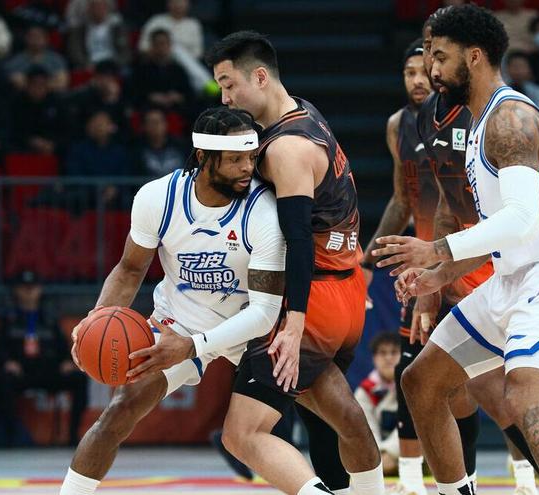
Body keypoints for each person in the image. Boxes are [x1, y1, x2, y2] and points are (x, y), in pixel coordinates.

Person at [373, 5, 539, 495]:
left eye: (441, 57)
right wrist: (440, 275)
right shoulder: (482, 123)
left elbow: (522, 221)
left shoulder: (510, 119)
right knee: (421, 382)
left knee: (525, 397)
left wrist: (434, 249)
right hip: (511, 278)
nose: (432, 69)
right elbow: (505, 227)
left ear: (475, 57)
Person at [60, 107, 287, 495]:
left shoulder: (263, 210)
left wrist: (195, 346)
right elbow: (130, 269)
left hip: (250, 325)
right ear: (203, 157)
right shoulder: (158, 198)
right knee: (121, 409)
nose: (247, 168)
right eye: (234, 159)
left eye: (251, 158)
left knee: (331, 409)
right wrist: (96, 318)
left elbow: (264, 312)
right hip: (179, 322)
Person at [207, 31, 383, 495]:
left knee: (241, 435)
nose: (225, 98)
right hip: (347, 288)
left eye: (229, 84)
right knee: (329, 420)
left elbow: (299, 239)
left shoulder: (284, 149)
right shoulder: (305, 112)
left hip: (315, 299)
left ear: (260, 77)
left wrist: (295, 322)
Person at [362, 37, 482, 495]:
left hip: (463, 259)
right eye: (408, 73)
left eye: (423, 70)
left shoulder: (465, 118)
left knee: (473, 383)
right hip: (422, 264)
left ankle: (480, 478)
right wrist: (369, 258)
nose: (417, 80)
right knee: (411, 371)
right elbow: (400, 200)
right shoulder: (398, 125)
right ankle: (412, 482)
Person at [0, 270, 87, 446]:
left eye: (33, 287)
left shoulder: (49, 318)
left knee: (79, 379)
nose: (29, 291)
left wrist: (66, 361)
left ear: (40, 290)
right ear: (16, 290)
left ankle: (73, 435)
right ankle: (11, 437)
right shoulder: (8, 319)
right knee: (3, 382)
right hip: (21, 373)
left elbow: (63, 345)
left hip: (47, 371)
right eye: (24, 287)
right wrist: (6, 363)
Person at [355, 333, 400, 477]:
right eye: (383, 353)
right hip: (377, 458)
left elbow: (414, 426)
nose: (388, 358)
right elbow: (366, 430)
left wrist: (390, 452)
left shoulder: (413, 387)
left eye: (394, 352)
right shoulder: (365, 391)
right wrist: (379, 457)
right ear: (374, 358)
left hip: (407, 452)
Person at [127, 29, 194, 116]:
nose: (161, 48)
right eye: (157, 44)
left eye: (164, 43)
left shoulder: (178, 70)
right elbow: (134, 94)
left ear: (170, 45)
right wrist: (150, 97)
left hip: (175, 110)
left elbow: (189, 94)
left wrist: (178, 97)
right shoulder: (141, 70)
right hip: (150, 110)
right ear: (152, 46)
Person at [11, 65, 66, 155]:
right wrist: (30, 141)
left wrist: (53, 143)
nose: (38, 88)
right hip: (23, 149)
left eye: (42, 84)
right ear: (27, 85)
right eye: (34, 84)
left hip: (52, 148)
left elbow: (66, 130)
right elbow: (13, 130)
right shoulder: (17, 103)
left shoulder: (57, 102)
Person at [66, 0, 129, 69]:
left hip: (113, 62)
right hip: (90, 63)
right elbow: (75, 51)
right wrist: (85, 63)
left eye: (101, 7)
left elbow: (125, 50)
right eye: (95, 8)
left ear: (107, 9)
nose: (98, 11)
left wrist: (118, 63)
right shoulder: (80, 30)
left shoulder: (117, 28)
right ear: (89, 10)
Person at [5, 25, 69, 92]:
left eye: (39, 37)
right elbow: (15, 82)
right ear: (26, 38)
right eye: (32, 36)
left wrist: (29, 83)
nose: (35, 40)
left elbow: (62, 83)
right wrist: (50, 82)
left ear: (46, 39)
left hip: (52, 96)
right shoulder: (15, 61)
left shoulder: (57, 59)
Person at [133, 107, 187, 177]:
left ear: (166, 124)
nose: (156, 126)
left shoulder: (180, 147)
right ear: (144, 126)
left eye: (159, 121)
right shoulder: (137, 150)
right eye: (152, 122)